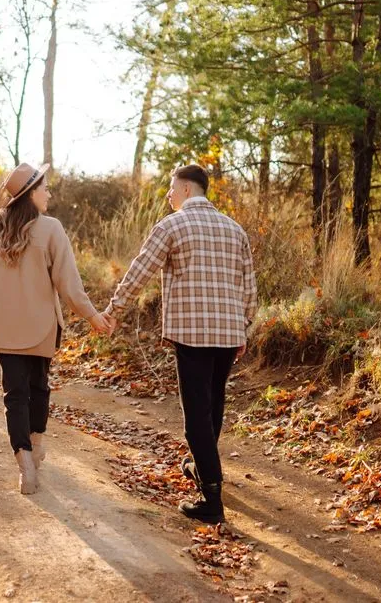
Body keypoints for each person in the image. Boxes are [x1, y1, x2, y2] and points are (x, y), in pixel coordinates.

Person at [104, 165, 257, 524]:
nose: (169, 196)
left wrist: (114, 310)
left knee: (195, 421)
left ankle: (211, 501)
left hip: (192, 333)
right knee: (213, 405)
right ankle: (201, 468)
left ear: (187, 189)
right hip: (228, 333)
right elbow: (249, 287)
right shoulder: (234, 229)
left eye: (172, 189)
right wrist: (244, 326)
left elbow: (139, 271)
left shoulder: (171, 226)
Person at [0, 162, 116, 495]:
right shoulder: (51, 228)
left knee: (14, 395)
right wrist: (93, 316)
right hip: (41, 325)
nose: (49, 193)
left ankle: (24, 465)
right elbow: (69, 285)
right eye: (44, 188)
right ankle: (36, 445)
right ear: (30, 194)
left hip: (4, 327)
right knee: (39, 387)